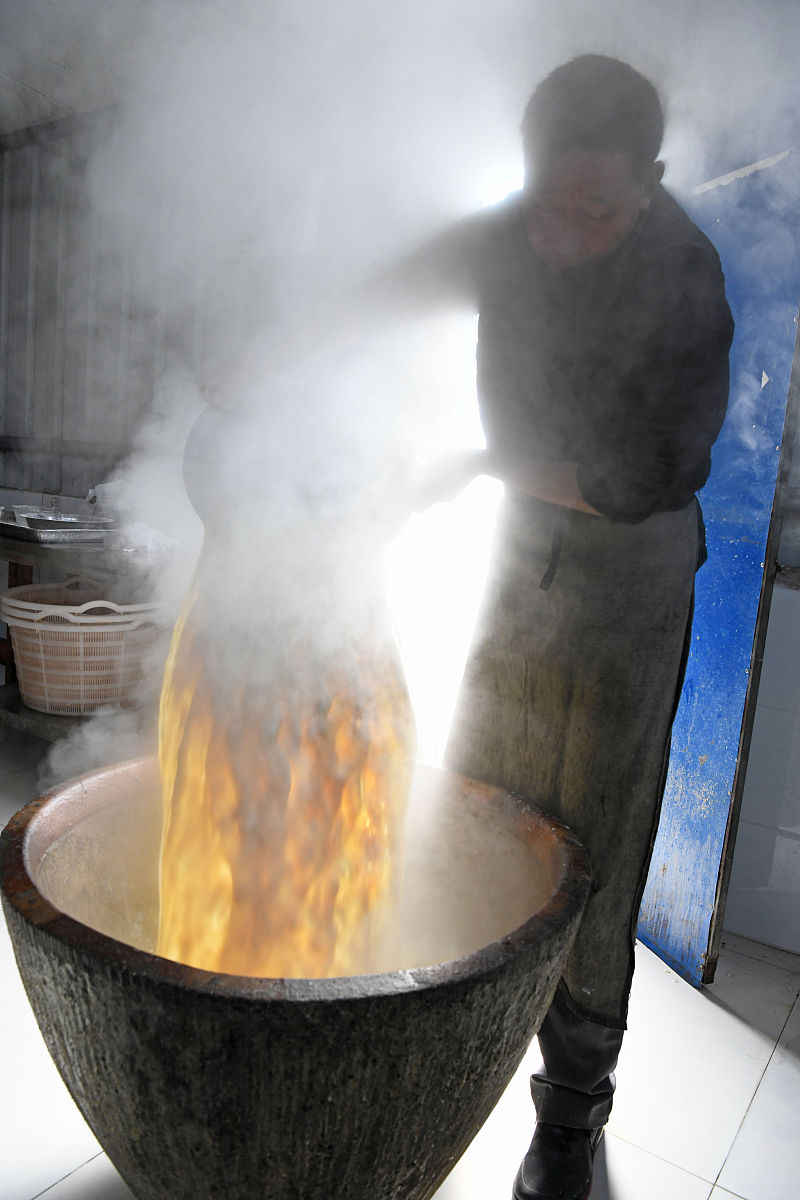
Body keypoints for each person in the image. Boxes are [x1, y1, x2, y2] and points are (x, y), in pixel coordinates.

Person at [369, 53, 733, 1200]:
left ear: (650, 183)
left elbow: (645, 475)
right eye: (547, 202)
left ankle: (568, 1113)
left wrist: (478, 461)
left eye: (598, 210)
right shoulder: (519, 225)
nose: (566, 232)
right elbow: (388, 283)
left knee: (598, 836)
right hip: (523, 547)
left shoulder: (685, 278)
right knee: (484, 795)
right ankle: (442, 1043)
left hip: (630, 572)